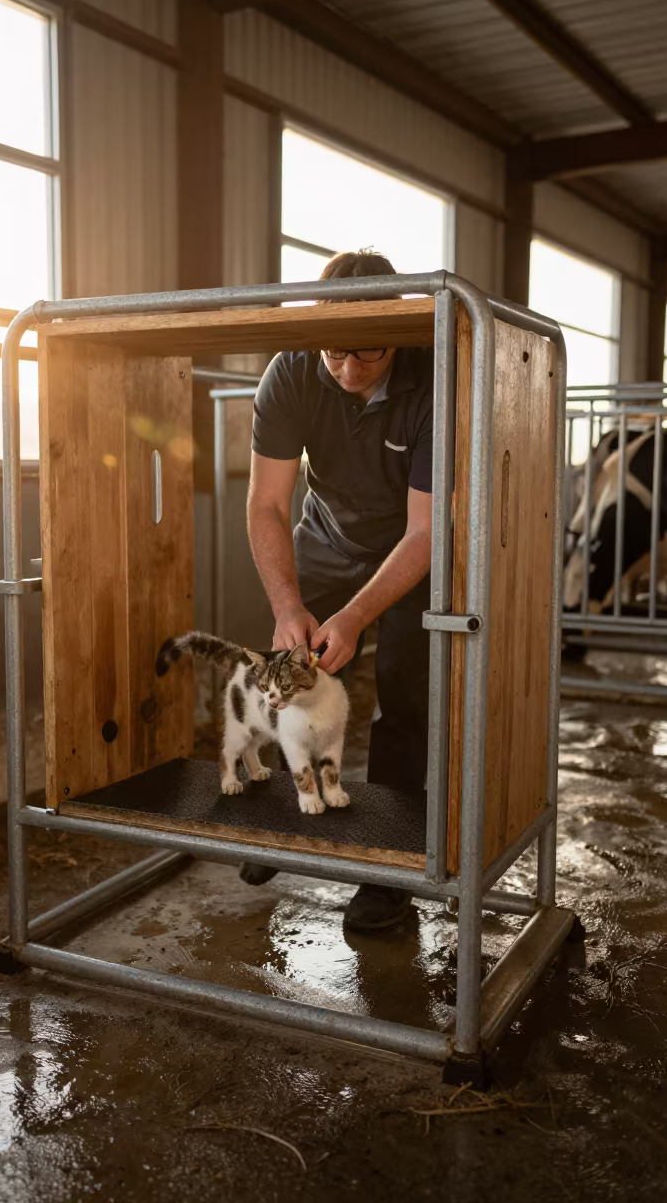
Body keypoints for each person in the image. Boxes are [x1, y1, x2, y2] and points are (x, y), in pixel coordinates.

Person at [242, 249, 434, 933]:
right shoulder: (291, 372)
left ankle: (385, 874)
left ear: (399, 337)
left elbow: (425, 532)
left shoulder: (434, 377)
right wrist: (287, 605)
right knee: (283, 671)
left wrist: (355, 617)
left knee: (406, 695)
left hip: (415, 554)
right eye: (333, 354)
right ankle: (277, 823)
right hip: (326, 538)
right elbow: (267, 503)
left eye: (369, 355)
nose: (349, 371)